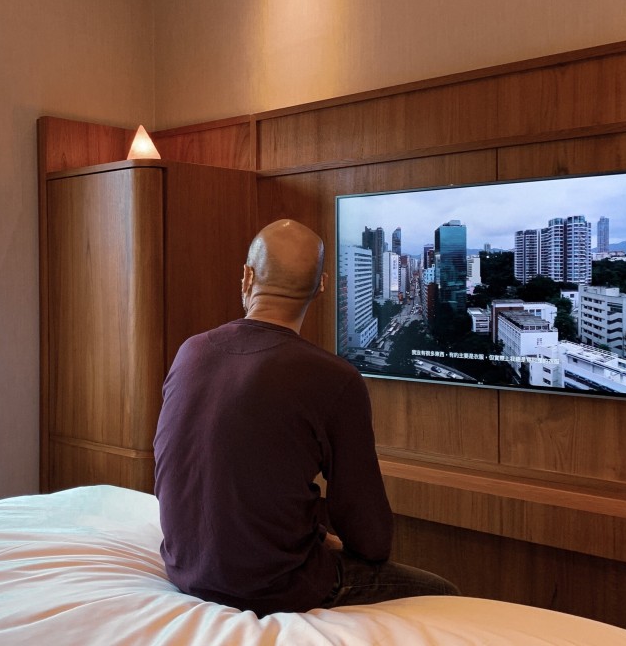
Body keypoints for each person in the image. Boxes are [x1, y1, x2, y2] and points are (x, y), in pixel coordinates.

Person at [153, 218, 458, 616]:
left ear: (247, 277)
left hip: (185, 570)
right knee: (445, 594)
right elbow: (371, 538)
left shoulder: (190, 352)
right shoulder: (334, 378)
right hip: (275, 588)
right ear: (323, 286)